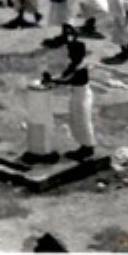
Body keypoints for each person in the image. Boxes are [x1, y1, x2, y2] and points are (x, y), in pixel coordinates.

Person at [46, 29, 97, 160]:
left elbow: (69, 80)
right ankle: (83, 146)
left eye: (70, 52)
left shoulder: (81, 67)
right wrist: (53, 80)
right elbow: (64, 76)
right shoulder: (74, 64)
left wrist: (53, 80)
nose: (68, 54)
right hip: (77, 94)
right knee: (76, 120)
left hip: (82, 96)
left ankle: (87, 147)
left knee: (82, 121)